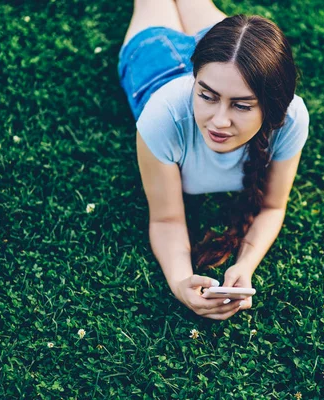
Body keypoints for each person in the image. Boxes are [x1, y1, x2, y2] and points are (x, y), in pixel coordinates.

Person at [118, 0, 310, 320]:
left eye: (242, 106)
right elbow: (166, 220)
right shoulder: (162, 117)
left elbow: (273, 207)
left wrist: (245, 265)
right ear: (196, 82)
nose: (219, 121)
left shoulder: (290, 119)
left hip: (228, 66)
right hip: (155, 62)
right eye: (206, 97)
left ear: (272, 105)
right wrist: (180, 282)